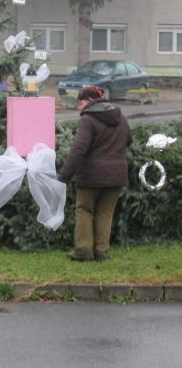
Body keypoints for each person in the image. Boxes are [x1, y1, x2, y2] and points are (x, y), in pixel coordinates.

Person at [58, 86, 132, 262]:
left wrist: (64, 175)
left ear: (90, 100)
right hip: (116, 175)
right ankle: (101, 252)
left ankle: (83, 251)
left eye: (81, 102)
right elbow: (128, 141)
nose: (79, 107)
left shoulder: (88, 120)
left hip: (91, 175)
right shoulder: (120, 117)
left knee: (84, 210)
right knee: (105, 213)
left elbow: (78, 150)